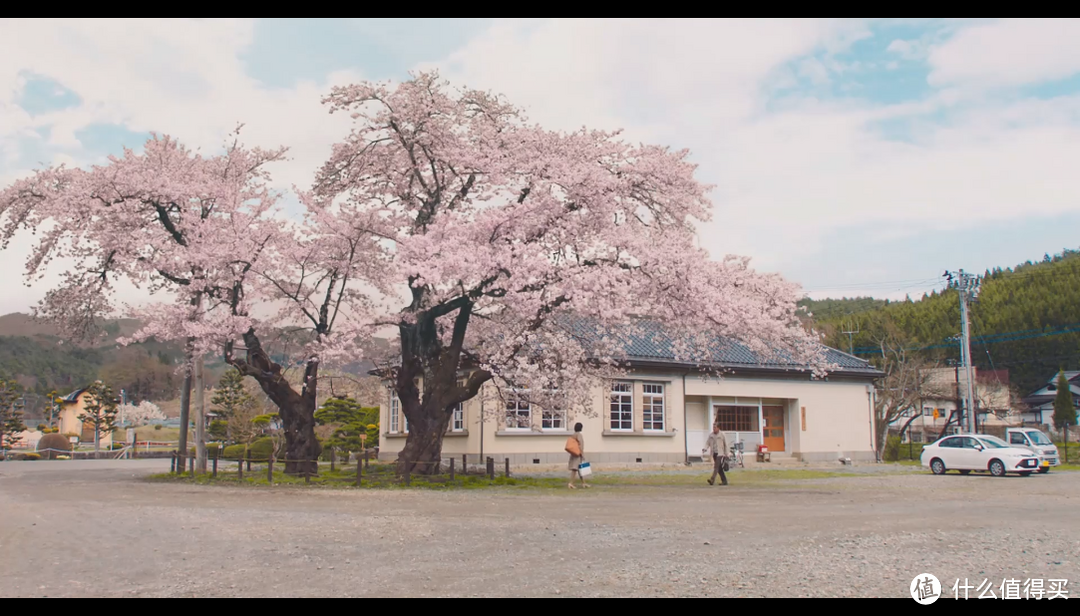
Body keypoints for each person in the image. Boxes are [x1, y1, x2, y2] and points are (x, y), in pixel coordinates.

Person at [568, 422, 588, 489]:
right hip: (578, 454)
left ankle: (583, 483)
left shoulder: (573, 435)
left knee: (580, 469)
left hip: (573, 453)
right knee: (575, 469)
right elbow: (581, 445)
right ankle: (571, 483)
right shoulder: (579, 435)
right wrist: (582, 454)